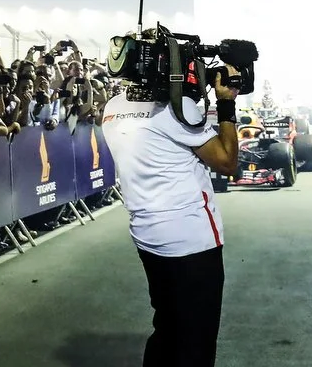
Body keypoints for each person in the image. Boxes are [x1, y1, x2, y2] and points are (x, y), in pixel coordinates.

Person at [102, 57, 241, 366]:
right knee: (196, 342)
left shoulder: (112, 107)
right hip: (191, 240)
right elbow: (227, 162)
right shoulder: (178, 111)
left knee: (166, 328)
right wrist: (226, 104)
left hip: (148, 237)